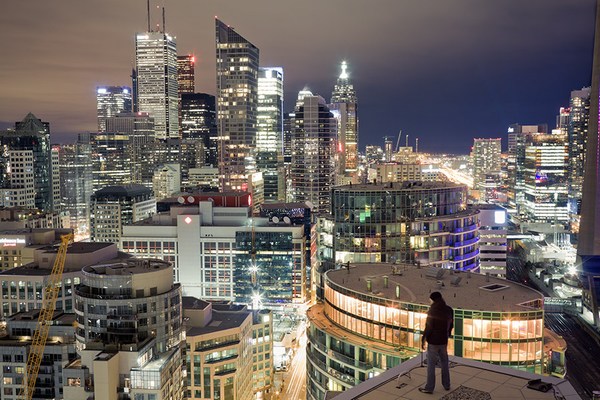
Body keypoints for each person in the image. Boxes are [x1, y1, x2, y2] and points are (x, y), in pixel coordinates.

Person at [419, 291, 453, 394]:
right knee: (444, 362)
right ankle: (446, 384)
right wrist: (447, 334)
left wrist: (424, 339)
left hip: (433, 342)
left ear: (433, 300)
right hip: (443, 341)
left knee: (431, 365)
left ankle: (429, 388)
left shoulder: (432, 311)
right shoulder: (449, 310)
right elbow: (451, 324)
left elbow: (428, 327)